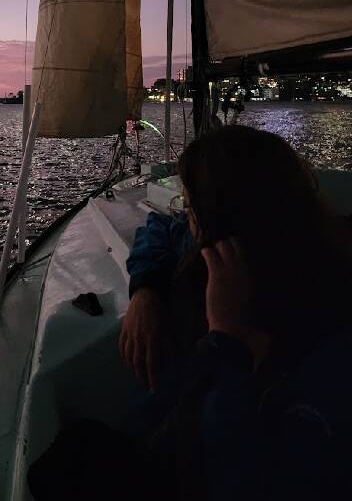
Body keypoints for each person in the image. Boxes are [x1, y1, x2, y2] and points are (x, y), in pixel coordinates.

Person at [120, 124, 352, 500]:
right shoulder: (223, 253)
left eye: (191, 207)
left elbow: (238, 477)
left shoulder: (329, 351)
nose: (185, 218)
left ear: (225, 217)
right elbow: (162, 224)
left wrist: (227, 342)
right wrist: (145, 289)